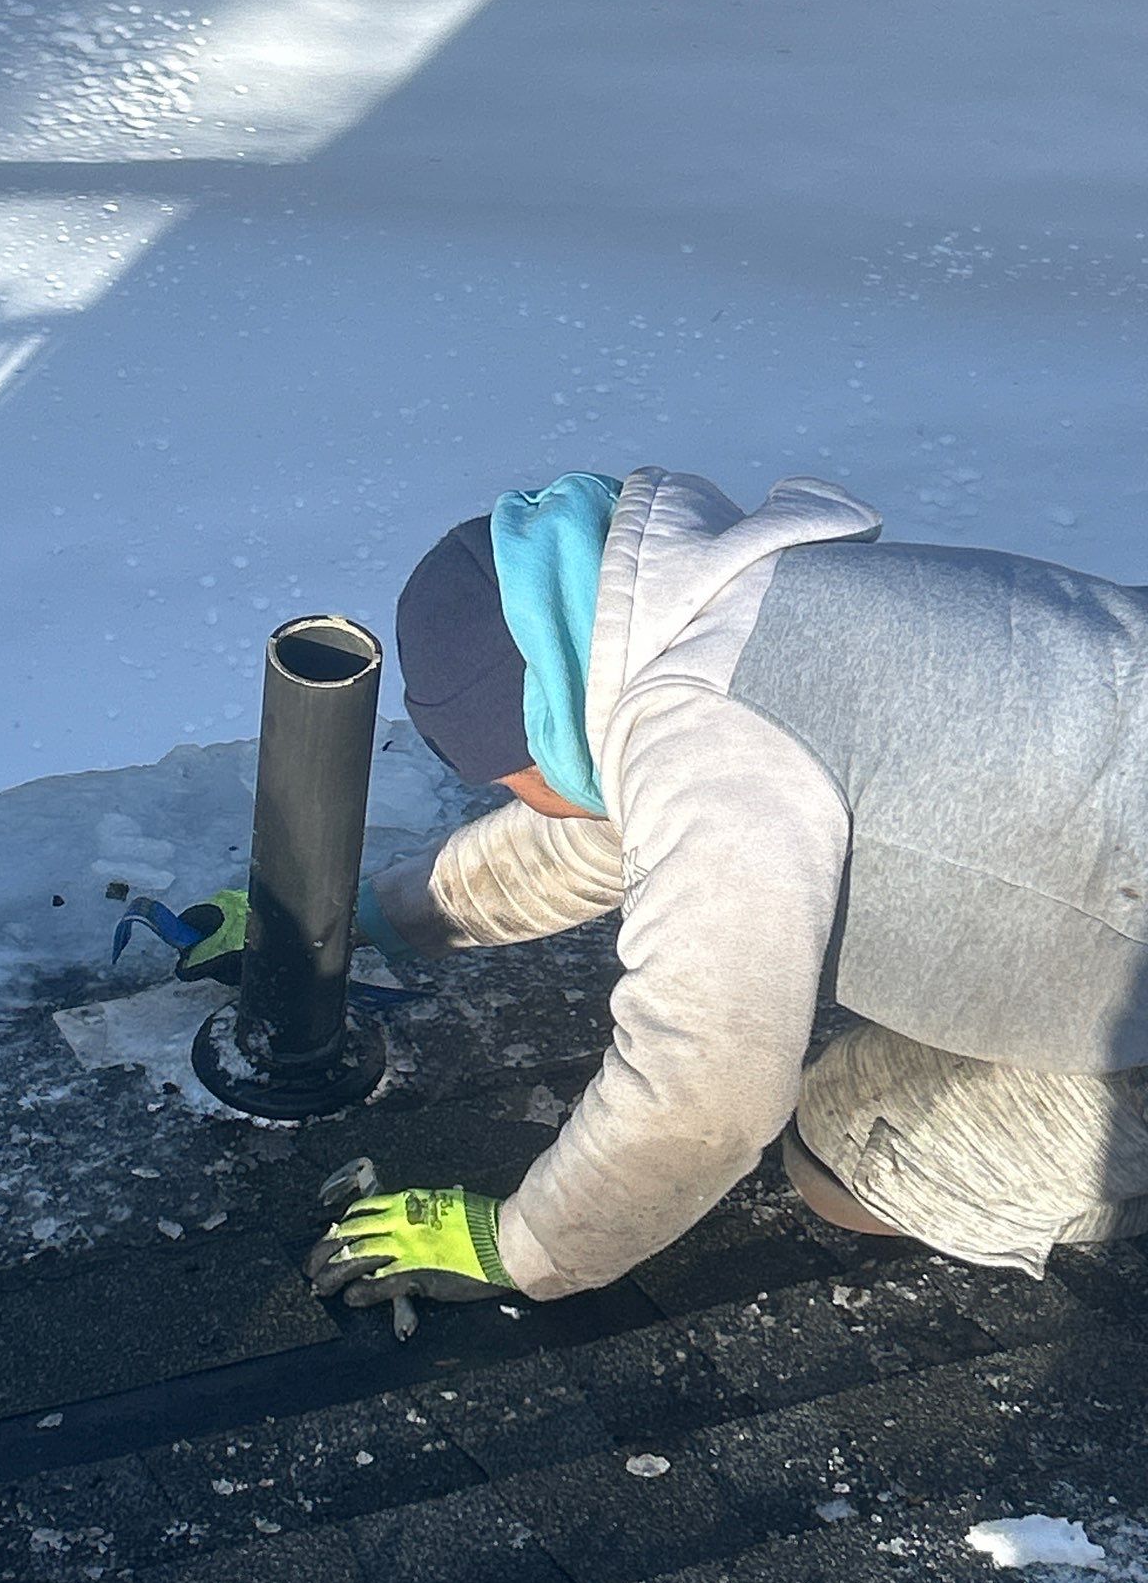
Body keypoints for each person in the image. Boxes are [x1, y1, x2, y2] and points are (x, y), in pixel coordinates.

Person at [217, 468, 1148, 1309]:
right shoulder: (725, 609)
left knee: (850, 1151)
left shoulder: (718, 744)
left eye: (507, 773)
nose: (518, 795)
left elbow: (704, 1095)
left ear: (542, 718)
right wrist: (349, 920)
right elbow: (610, 838)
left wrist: (522, 1247)